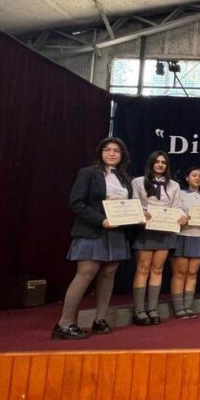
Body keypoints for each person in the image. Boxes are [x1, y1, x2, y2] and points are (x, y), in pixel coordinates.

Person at [54, 137, 134, 340]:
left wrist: (139, 215)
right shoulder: (88, 172)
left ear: (122, 155)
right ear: (100, 152)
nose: (112, 153)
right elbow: (76, 202)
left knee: (109, 273)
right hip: (93, 230)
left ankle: (100, 320)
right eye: (107, 149)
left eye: (116, 150)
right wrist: (101, 220)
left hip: (117, 232)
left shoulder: (124, 177)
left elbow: (127, 206)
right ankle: (64, 324)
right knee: (86, 273)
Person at [132, 151, 186, 325]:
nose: (160, 164)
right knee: (143, 268)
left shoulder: (174, 185)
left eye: (163, 162)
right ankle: (139, 310)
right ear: (151, 163)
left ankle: (152, 308)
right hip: (146, 229)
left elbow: (177, 207)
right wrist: (142, 213)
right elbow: (134, 203)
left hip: (166, 230)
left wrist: (182, 216)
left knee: (157, 269)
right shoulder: (138, 181)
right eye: (157, 161)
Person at [170, 166, 200, 319]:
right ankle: (178, 307)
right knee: (180, 273)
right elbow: (174, 212)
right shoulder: (179, 194)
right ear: (187, 178)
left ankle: (188, 306)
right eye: (194, 175)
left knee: (192, 273)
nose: (197, 178)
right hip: (182, 235)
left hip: (199, 235)